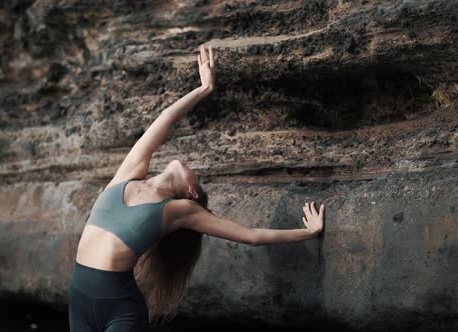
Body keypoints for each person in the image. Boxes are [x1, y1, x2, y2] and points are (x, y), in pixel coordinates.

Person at [68, 45, 325, 332]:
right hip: (78, 301)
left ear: (191, 192)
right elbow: (164, 119)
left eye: (197, 177)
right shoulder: (129, 175)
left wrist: (309, 231)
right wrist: (204, 88)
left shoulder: (179, 211)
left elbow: (252, 236)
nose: (194, 169)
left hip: (121, 308)